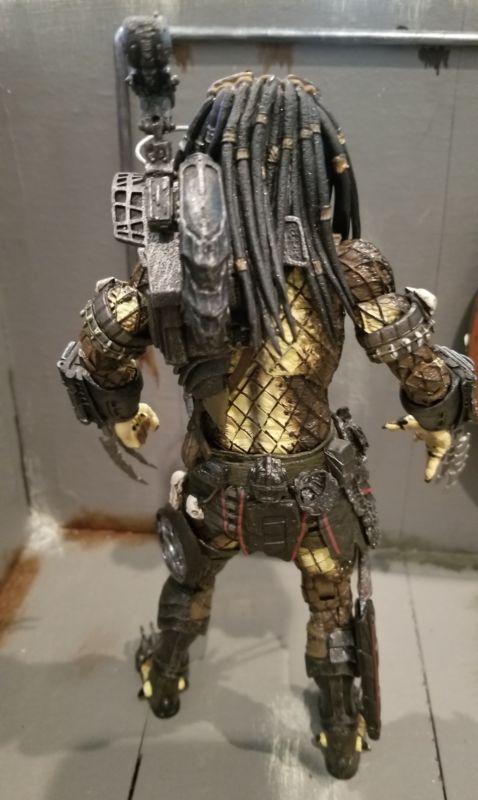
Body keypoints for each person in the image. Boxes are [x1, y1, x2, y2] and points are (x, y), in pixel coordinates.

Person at [59, 43, 475, 780]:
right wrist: (441, 422)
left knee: (190, 578)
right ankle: (339, 725)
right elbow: (418, 362)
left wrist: (122, 411)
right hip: (312, 491)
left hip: (216, 488)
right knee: (329, 600)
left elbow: (105, 334)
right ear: (320, 161)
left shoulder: (170, 265)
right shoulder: (349, 264)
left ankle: (165, 674)